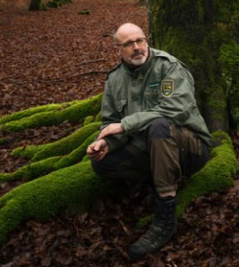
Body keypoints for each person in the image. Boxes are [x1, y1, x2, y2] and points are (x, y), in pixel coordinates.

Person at [86, 22, 213, 259]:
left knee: (159, 126)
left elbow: (178, 108)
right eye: (129, 44)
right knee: (102, 164)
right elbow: (110, 121)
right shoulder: (114, 79)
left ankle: (165, 216)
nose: (137, 47)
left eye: (140, 40)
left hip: (190, 148)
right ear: (118, 49)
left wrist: (127, 124)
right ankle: (158, 174)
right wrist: (106, 143)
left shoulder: (168, 67)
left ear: (146, 41)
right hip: (148, 148)